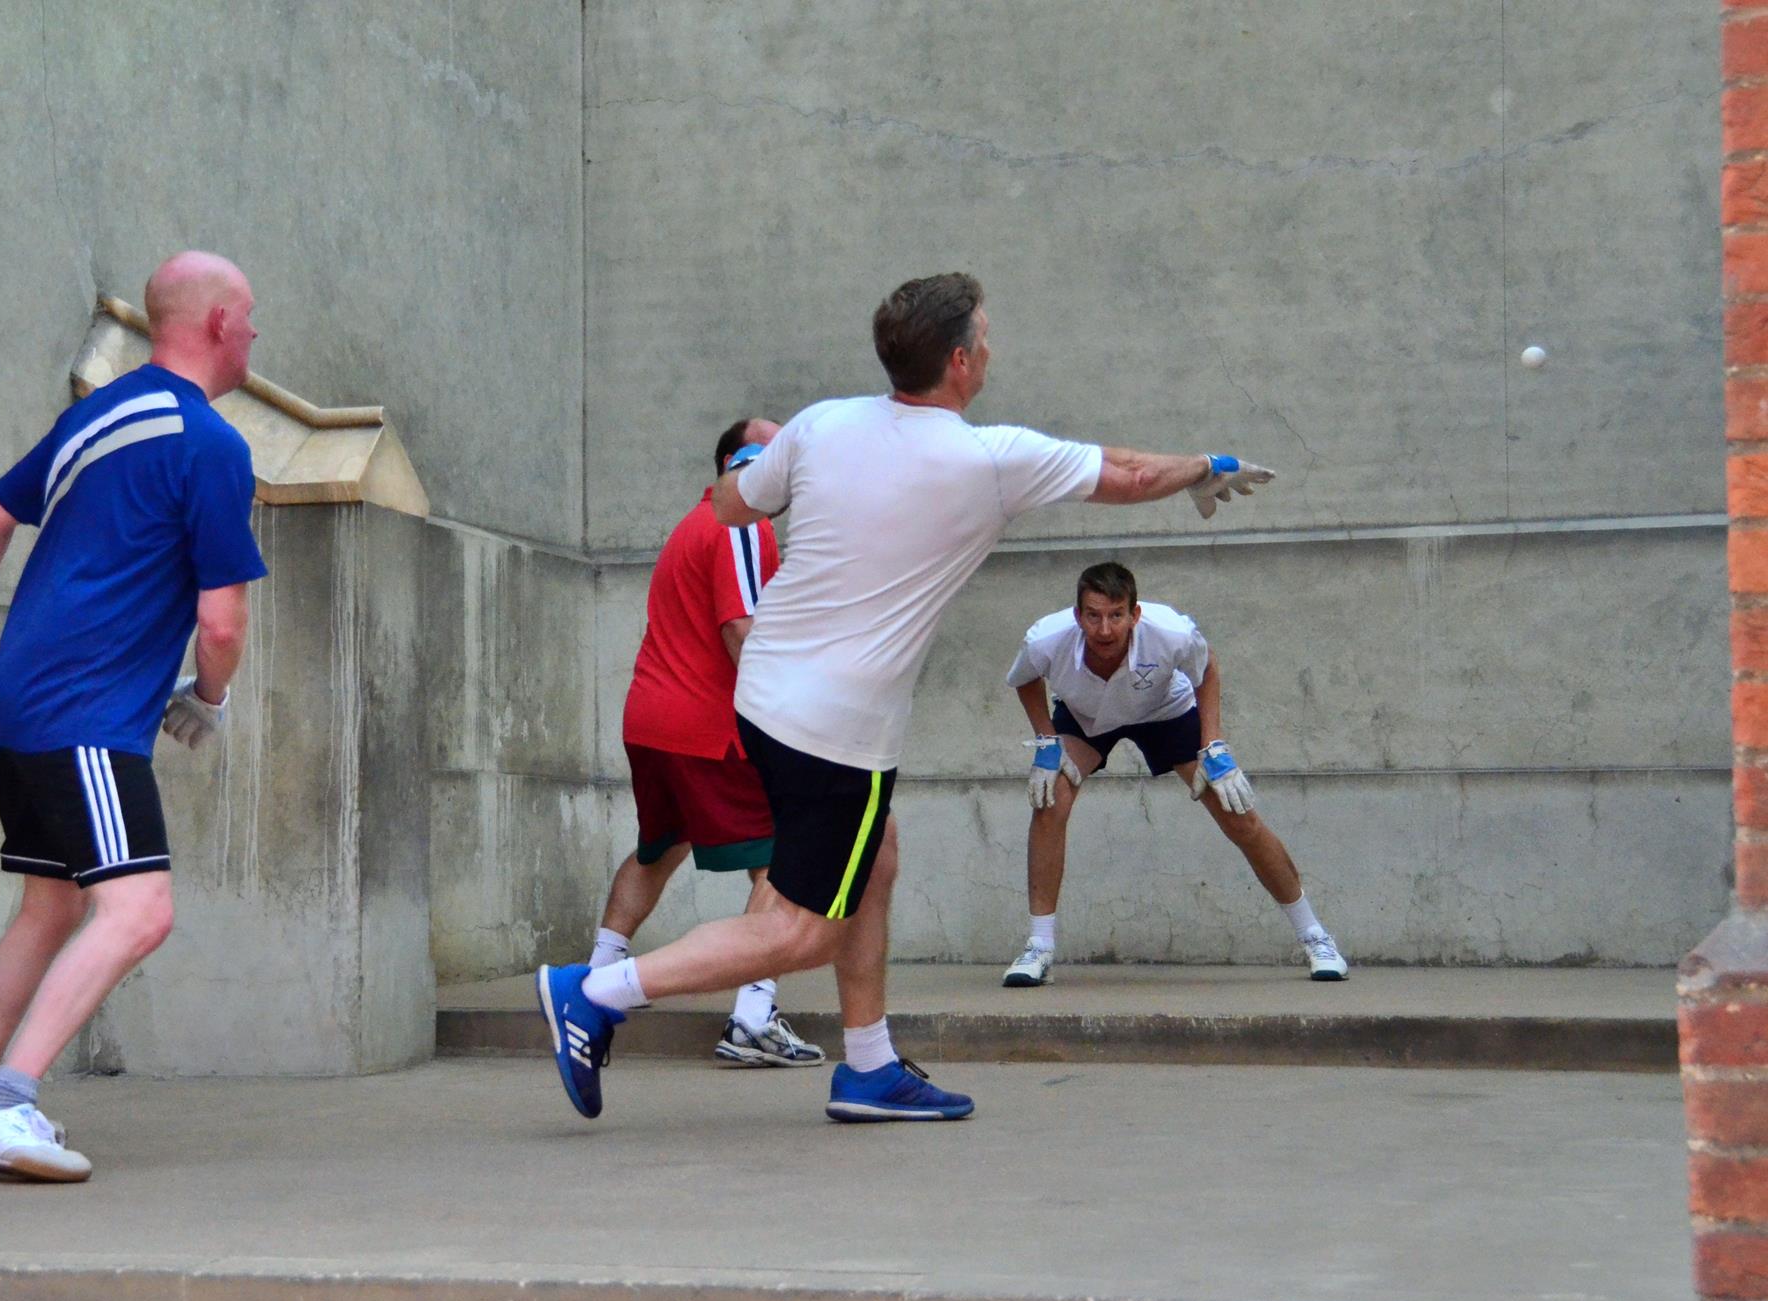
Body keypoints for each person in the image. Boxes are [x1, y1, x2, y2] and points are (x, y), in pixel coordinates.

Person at [535, 272, 1277, 1123]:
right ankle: (594, 993)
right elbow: (1132, 471)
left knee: (874, 855)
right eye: (987, 337)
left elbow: (731, 502)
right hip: (831, 731)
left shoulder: (818, 425)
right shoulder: (988, 459)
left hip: (772, 699)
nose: (993, 347)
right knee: (802, 929)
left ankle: (868, 1066)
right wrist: (1207, 466)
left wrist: (769, 480)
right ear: (959, 362)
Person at [0, 251, 267, 1182]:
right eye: (251, 316)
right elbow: (221, 620)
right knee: (140, 909)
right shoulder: (212, 444)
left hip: (19, 708)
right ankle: (8, 1105)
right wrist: (210, 697)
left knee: (50, 905)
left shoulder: (94, 414)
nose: (257, 333)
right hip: (85, 716)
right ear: (221, 324)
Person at [587, 418, 822, 1068]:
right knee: (788, 856)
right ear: (735, 464)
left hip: (652, 722)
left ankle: (594, 985)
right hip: (708, 727)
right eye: (770, 453)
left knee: (657, 851)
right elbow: (741, 630)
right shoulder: (743, 520)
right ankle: (752, 1016)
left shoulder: (698, 523)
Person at [999, 561, 1348, 988]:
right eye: (1093, 615)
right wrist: (1046, 741)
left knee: (1236, 811)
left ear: (1135, 614)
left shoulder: (1172, 632)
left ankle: (1315, 937)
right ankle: (1039, 946)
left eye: (1115, 615)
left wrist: (1213, 745)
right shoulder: (1046, 639)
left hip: (1166, 711)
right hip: (1085, 716)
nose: (1105, 629)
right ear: (1078, 615)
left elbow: (1208, 668)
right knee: (1050, 799)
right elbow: (1025, 679)